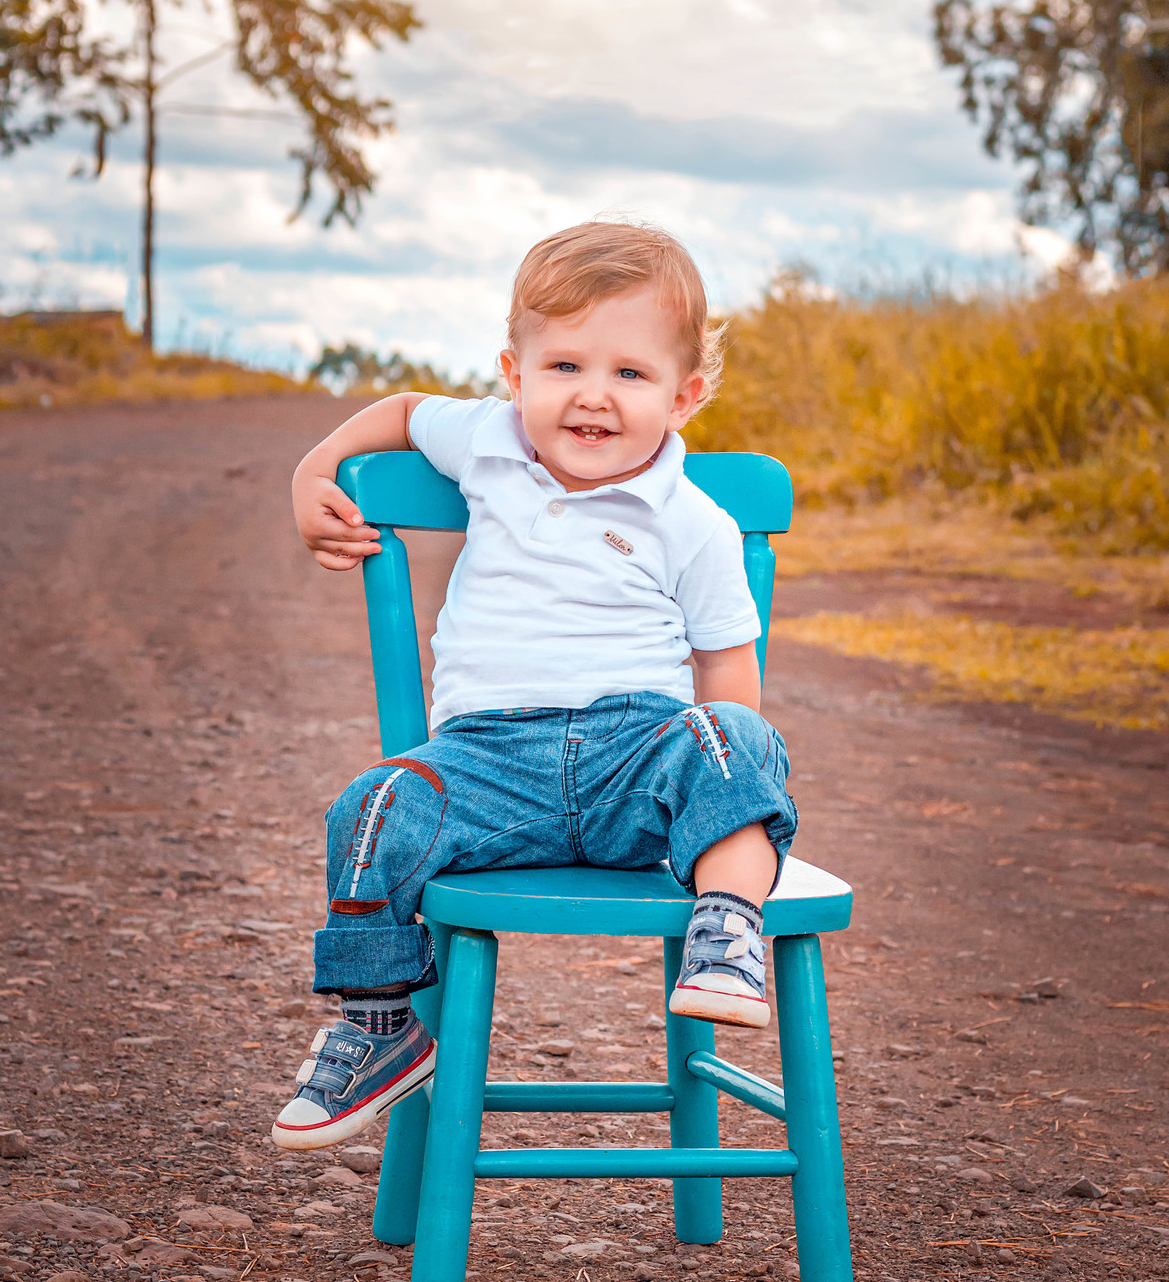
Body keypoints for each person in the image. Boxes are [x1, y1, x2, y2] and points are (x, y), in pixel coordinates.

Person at [272, 221, 798, 1150]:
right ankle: (381, 1027)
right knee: (374, 805)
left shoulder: (696, 522)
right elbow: (398, 410)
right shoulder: (487, 440)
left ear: (686, 396)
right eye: (564, 367)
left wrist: (719, 797)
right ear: (513, 374)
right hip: (484, 766)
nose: (593, 396)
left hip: (639, 762)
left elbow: (725, 669)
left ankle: (727, 923)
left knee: (734, 738)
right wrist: (312, 470)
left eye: (630, 376)